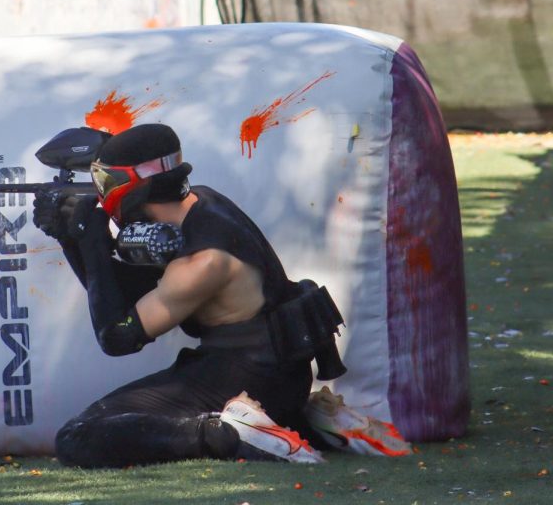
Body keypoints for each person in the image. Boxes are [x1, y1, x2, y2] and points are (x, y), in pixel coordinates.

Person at [32, 123, 348, 467]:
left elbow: (118, 335)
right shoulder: (205, 201)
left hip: (248, 379)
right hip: (276, 373)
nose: (100, 193)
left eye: (105, 183)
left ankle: (227, 432)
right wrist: (71, 237)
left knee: (78, 436)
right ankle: (309, 423)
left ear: (129, 186)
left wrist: (88, 241)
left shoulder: (202, 262)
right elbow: (127, 296)